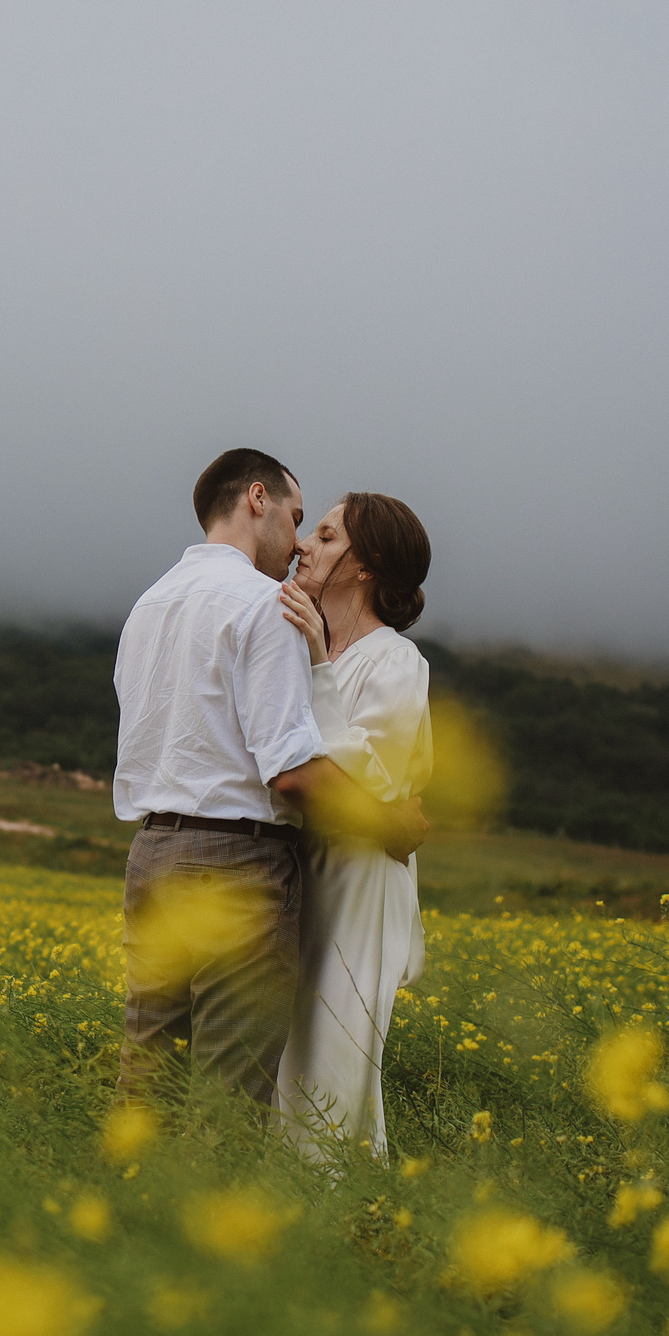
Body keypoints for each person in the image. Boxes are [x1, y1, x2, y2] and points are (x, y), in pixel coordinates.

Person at [112, 448, 429, 1110]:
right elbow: (289, 771)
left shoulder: (147, 606)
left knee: (148, 1078)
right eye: (298, 517)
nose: (298, 541)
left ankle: (131, 1202)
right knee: (230, 1093)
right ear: (258, 499)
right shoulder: (267, 604)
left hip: (150, 854)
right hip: (237, 863)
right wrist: (389, 823)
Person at [274, 493, 435, 1162]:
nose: (302, 544)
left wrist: (314, 662)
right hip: (303, 877)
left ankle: (341, 1210)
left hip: (358, 890)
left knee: (332, 1063)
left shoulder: (395, 662)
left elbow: (362, 782)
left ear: (364, 565)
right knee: (286, 1061)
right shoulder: (316, 652)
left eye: (326, 534)